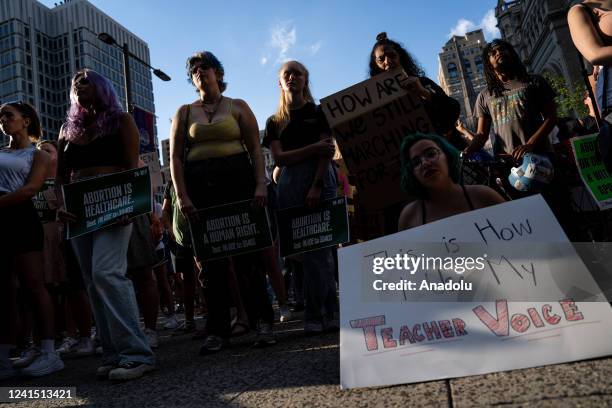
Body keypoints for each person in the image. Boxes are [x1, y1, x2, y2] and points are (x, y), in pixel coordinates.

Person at [170, 51, 275, 353]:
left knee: (249, 259)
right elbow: (176, 157)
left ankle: (263, 322)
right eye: (194, 70)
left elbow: (255, 149)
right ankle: (217, 329)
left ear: (218, 72)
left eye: (205, 68)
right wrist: (182, 195)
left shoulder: (238, 106)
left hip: (239, 184)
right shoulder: (185, 112)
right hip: (201, 187)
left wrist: (260, 184)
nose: (200, 73)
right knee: (211, 264)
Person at [56, 69, 155, 381]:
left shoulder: (121, 119)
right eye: (76, 79)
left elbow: (132, 166)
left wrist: (130, 204)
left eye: (87, 78)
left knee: (107, 273)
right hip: (79, 208)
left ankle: (137, 353)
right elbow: (60, 177)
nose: (80, 80)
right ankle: (113, 353)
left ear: (101, 86)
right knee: (91, 281)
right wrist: (60, 205)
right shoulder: (67, 128)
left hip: (114, 201)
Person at [263, 60, 339, 334]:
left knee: (323, 251)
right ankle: (313, 313)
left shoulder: (319, 113)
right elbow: (280, 157)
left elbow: (327, 153)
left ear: (306, 79)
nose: (292, 77)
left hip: (321, 180)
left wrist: (317, 184)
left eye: (297, 73)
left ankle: (329, 312)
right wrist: (314, 148)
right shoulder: (274, 122)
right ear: (280, 83)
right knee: (302, 254)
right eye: (287, 74)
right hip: (289, 186)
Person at [369, 32, 461, 234]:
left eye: (392, 55)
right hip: (403, 181)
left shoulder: (423, 82)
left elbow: (453, 111)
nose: (388, 61)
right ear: (375, 65)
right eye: (381, 59)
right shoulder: (370, 101)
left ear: (400, 57)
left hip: (440, 171)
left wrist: (423, 92)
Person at [0, 102, 64, 379]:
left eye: (8, 115)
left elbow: (30, 188)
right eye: (0, 117)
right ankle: (4, 355)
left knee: (34, 286)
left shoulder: (37, 154)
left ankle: (49, 350)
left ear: (26, 121)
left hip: (21, 218)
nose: (3, 120)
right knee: (4, 292)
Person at [398, 133, 505, 230]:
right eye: (416, 162)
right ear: (412, 174)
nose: (425, 163)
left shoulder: (483, 195)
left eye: (431, 154)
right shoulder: (409, 217)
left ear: (447, 156)